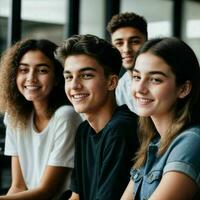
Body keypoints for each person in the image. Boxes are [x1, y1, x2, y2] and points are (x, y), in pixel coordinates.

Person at [55, 34, 139, 200]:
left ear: (111, 82)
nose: (74, 85)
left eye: (86, 75)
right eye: (69, 77)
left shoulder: (121, 129)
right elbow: (76, 196)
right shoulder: (84, 130)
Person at [0, 39, 82, 200]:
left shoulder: (66, 116)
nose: (31, 78)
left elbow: (47, 192)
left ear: (57, 77)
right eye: (23, 70)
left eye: (42, 70)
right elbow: (18, 186)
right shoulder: (14, 117)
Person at [121, 37, 200, 200]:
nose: (140, 89)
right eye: (137, 77)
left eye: (155, 79)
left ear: (184, 89)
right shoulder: (153, 143)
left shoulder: (192, 140)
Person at [107, 12, 148, 112]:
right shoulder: (118, 89)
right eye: (119, 43)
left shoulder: (165, 80)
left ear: (147, 42)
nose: (126, 50)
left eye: (134, 41)